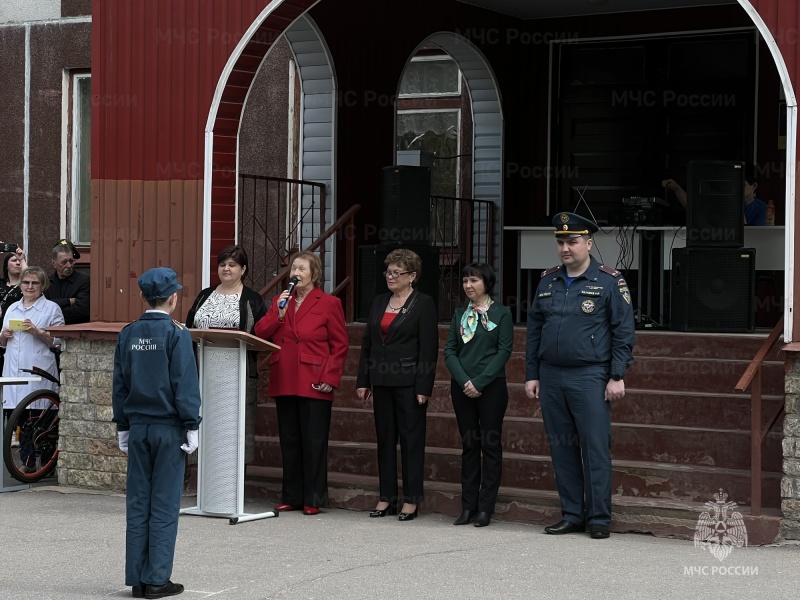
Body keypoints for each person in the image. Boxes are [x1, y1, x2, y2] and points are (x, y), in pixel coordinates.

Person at [525, 213, 635, 540]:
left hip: (590, 375)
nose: (565, 248)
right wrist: (532, 373)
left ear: (588, 243)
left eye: (572, 241)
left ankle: (599, 518)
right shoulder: (547, 281)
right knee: (562, 448)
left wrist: (616, 375)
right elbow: (534, 330)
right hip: (551, 376)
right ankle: (572, 514)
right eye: (560, 242)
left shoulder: (609, 280)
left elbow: (623, 332)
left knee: (594, 448)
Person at [112, 267, 201, 600]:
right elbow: (184, 383)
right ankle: (157, 579)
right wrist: (191, 424)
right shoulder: (177, 334)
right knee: (164, 504)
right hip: (168, 427)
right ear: (174, 298)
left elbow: (119, 384)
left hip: (137, 427)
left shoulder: (128, 333)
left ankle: (136, 577)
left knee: (138, 503)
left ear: (141, 297)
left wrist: (122, 424)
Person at [253, 251, 348, 515]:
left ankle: (313, 498)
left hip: (314, 377)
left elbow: (339, 345)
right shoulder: (279, 301)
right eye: (293, 268)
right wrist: (279, 314)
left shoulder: (329, 303)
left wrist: (330, 377)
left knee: (314, 440)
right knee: (290, 440)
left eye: (301, 268)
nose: (295, 273)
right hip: (285, 376)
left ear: (314, 274)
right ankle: (292, 495)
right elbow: (261, 332)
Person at [356, 248, 439, 522]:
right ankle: (386, 497)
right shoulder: (380, 301)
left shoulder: (423, 303)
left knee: (411, 441)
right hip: (381, 381)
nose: (390, 277)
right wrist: (363, 380)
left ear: (412, 276)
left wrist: (423, 387)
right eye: (388, 272)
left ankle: (412, 498)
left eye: (396, 272)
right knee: (385, 441)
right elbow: (367, 343)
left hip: (409, 383)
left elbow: (429, 349)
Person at [444, 263, 512, 528]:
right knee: (469, 445)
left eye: (474, 280)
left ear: (487, 283)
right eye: (465, 281)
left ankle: (485, 508)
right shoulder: (460, 314)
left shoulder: (502, 313)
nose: (468, 286)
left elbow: (504, 351)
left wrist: (480, 382)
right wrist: (464, 381)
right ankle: (468, 506)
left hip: (491, 388)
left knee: (490, 446)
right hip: (462, 388)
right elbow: (449, 350)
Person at [185, 245, 266, 464]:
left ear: (243, 269)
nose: (226, 269)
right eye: (222, 265)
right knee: (207, 426)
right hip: (204, 375)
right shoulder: (204, 295)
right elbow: (189, 328)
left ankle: (233, 484)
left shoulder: (252, 299)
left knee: (233, 430)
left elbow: (261, 334)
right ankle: (204, 480)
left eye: (232, 265)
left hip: (236, 377)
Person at [0, 266, 64, 466]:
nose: (29, 286)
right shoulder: (12, 308)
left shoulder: (51, 308)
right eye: (26, 282)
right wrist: (3, 336)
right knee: (19, 422)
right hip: (13, 372)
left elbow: (59, 341)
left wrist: (38, 332)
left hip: (39, 371)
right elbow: (2, 342)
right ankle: (27, 463)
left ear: (42, 285)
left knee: (41, 421)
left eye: (34, 283)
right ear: (20, 285)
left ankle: (46, 464)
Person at [662, 164, 766, 225]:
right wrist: (677, 188)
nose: (737, 189)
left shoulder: (763, 209)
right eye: (735, 185)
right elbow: (693, 208)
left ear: (754, 186)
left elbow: (755, 235)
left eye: (742, 185)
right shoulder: (723, 201)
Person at [44, 239, 90, 324]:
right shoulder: (47, 283)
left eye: (71, 261)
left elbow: (82, 311)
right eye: (64, 262)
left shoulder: (84, 281)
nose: (69, 265)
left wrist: (52, 311)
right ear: (54, 263)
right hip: (51, 332)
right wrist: (68, 301)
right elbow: (41, 307)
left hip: (76, 332)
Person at [0, 246, 28, 375]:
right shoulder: (1, 283)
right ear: (6, 265)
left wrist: (22, 259)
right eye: (13, 260)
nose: (17, 263)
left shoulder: (26, 286)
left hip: (13, 331)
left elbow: (30, 276)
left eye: (19, 261)